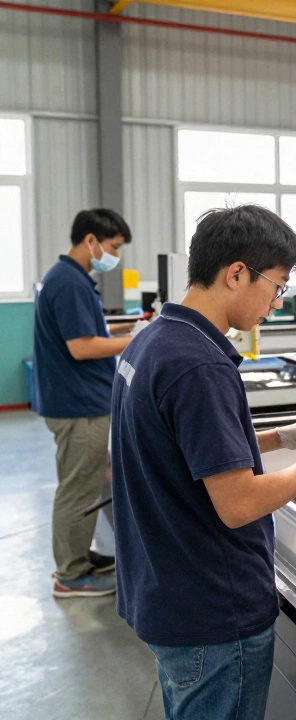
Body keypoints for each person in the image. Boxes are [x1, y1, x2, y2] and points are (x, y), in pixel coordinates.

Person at [110, 205, 296, 720]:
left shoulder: (154, 339)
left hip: (164, 591)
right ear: (236, 273)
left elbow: (182, 445)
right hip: (211, 612)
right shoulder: (200, 365)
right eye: (277, 287)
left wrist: (283, 438)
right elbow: (237, 504)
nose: (277, 304)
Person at [33, 208, 137, 598]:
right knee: (78, 489)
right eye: (113, 246)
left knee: (85, 483)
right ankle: (71, 575)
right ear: (90, 240)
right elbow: (81, 346)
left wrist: (128, 326)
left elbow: (88, 330)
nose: (115, 256)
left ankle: (78, 557)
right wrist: (137, 341)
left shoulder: (69, 278)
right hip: (78, 404)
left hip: (77, 400)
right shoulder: (70, 283)